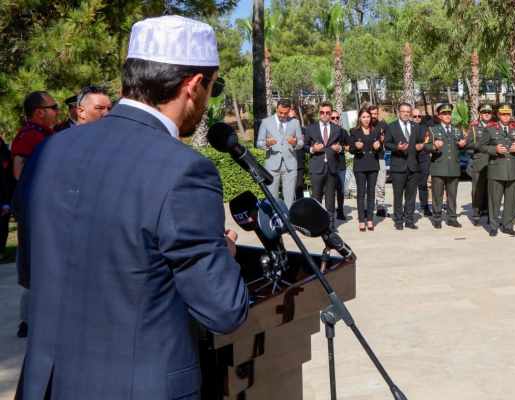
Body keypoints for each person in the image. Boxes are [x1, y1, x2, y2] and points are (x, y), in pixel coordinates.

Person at [14, 16, 248, 398]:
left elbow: (30, 272)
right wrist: (225, 249)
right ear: (193, 85)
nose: (210, 99)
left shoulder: (49, 151)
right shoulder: (185, 171)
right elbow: (223, 310)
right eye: (213, 87)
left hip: (49, 386)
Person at [10, 91, 58, 339]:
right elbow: (19, 170)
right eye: (54, 107)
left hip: (40, 208)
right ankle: (27, 322)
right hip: (35, 210)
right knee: (33, 263)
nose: (58, 111)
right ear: (39, 111)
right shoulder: (31, 136)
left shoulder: (44, 134)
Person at [481, 102, 515, 236]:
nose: (506, 116)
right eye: (503, 114)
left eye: (508, 114)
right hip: (496, 169)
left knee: (511, 201)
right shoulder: (490, 128)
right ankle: (494, 227)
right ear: (498, 114)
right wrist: (494, 149)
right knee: (494, 200)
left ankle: (508, 225)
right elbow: (481, 146)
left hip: (511, 169)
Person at [424, 103, 466, 228]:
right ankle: (437, 218)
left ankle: (452, 218)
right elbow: (426, 147)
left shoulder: (457, 131)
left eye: (449, 114)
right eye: (444, 114)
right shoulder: (433, 130)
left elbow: (462, 151)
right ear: (439, 116)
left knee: (452, 194)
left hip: (453, 167)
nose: (447, 116)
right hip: (438, 166)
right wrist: (434, 146)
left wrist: (463, 146)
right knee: (437, 194)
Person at [305, 101, 345, 232]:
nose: (325, 115)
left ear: (330, 113)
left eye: (328, 112)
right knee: (316, 196)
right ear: (319, 113)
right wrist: (313, 149)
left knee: (330, 197)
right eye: (322, 112)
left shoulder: (337, 129)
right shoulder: (311, 128)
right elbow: (304, 146)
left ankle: (330, 224)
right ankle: (316, 223)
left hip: (332, 166)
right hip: (317, 166)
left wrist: (339, 149)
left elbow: (345, 146)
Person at [256, 98, 304, 206]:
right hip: (272, 165)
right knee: (271, 197)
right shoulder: (266, 122)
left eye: (285, 113)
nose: (282, 115)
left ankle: (287, 221)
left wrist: (295, 143)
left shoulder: (295, 123)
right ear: (276, 108)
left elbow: (301, 143)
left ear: (289, 110)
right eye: (280, 112)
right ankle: (272, 221)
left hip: (290, 166)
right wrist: (266, 144)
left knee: (289, 198)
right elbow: (259, 143)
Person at [385, 102, 424, 230]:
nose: (406, 114)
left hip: (413, 165)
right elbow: (387, 144)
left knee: (411, 195)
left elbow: (419, 141)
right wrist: (397, 148)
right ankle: (398, 220)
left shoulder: (416, 126)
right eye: (403, 111)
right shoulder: (391, 127)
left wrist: (419, 146)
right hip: (398, 165)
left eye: (408, 112)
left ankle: (409, 220)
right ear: (399, 112)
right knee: (398, 195)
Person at [348, 108, 383, 231]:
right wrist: (357, 148)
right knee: (361, 193)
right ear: (359, 118)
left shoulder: (376, 130)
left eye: (368, 117)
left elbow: (380, 148)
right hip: (360, 164)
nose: (366, 119)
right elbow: (351, 149)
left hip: (373, 163)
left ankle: (370, 220)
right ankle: (361, 220)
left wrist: (378, 147)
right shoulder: (354, 131)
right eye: (363, 117)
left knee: (371, 193)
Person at [466, 102, 494, 226]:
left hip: (493, 162)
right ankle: (476, 214)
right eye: (484, 112)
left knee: (492, 191)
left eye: (489, 112)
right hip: (479, 161)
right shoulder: (474, 128)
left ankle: (490, 214)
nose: (486, 114)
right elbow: (469, 144)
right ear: (480, 114)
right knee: (477, 190)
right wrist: (482, 146)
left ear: (492, 114)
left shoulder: (496, 127)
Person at [370, 105, 389, 217]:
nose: (373, 116)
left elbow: (389, 142)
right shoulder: (364, 126)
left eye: (375, 114)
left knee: (381, 184)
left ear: (378, 114)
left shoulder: (383, 126)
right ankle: (368, 206)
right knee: (369, 184)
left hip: (380, 157)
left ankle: (381, 206)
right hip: (368, 158)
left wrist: (384, 141)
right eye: (371, 114)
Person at [330, 110, 349, 220]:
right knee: (330, 189)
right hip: (328, 164)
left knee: (340, 189)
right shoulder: (325, 132)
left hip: (341, 164)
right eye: (333, 118)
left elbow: (349, 147)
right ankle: (330, 211)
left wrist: (340, 148)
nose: (336, 119)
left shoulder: (343, 132)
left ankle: (340, 211)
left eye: (337, 117)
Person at [418, 108, 434, 216]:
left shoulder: (426, 129)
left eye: (419, 116)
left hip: (423, 158)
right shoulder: (406, 128)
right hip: (409, 159)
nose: (417, 118)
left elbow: (430, 142)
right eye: (415, 116)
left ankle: (425, 206)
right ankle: (406, 206)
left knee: (423, 184)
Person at [288, 107, 307, 201]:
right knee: (287, 190)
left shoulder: (303, 131)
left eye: (294, 117)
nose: (292, 120)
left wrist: (303, 142)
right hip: (285, 164)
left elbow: (309, 147)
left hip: (299, 164)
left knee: (299, 188)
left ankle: (301, 211)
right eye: (290, 117)